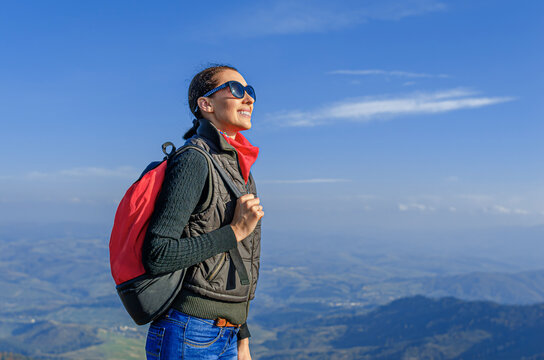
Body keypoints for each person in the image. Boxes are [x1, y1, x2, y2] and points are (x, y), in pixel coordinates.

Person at [142, 64, 263, 360]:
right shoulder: (194, 161)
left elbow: (237, 259)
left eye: (250, 91)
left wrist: (242, 337)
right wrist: (235, 231)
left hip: (226, 334)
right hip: (189, 332)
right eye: (236, 90)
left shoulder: (237, 165)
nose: (248, 99)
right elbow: (158, 254)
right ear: (206, 104)